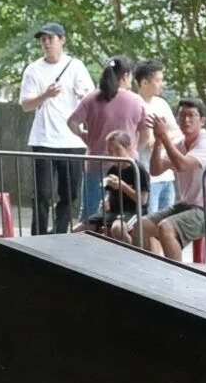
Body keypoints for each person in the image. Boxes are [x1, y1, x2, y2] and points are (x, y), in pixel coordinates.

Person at [19, 22, 95, 235]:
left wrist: (82, 96)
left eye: (50, 39)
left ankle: (59, 234)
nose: (46, 43)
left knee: (69, 193)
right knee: (41, 193)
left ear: (62, 40)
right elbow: (26, 105)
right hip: (43, 139)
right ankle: (38, 235)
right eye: (43, 39)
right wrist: (46, 95)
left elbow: (91, 98)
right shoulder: (33, 69)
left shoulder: (76, 66)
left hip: (72, 140)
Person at [132, 98, 206, 261]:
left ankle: (177, 275)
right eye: (182, 115)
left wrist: (164, 137)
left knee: (166, 228)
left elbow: (182, 165)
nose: (186, 119)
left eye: (191, 115)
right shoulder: (180, 143)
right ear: (177, 120)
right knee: (140, 226)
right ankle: (148, 269)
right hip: (188, 205)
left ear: (202, 121)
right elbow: (156, 170)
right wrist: (158, 141)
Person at [67, 56, 149, 223]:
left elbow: (72, 122)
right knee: (125, 213)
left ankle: (81, 239)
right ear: (125, 76)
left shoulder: (92, 98)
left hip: (96, 163)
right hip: (127, 166)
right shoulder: (136, 100)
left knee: (89, 213)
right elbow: (147, 136)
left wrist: (85, 136)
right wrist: (132, 150)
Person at [73, 130, 149, 243]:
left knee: (117, 229)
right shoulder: (113, 170)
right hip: (112, 211)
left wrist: (123, 186)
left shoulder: (138, 170)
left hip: (132, 211)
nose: (114, 156)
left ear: (128, 148)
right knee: (77, 230)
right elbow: (110, 192)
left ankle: (129, 250)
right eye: (110, 152)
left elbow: (143, 200)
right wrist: (106, 200)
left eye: (118, 150)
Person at [134, 60, 182, 214]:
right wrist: (160, 137)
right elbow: (143, 141)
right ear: (144, 82)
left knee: (167, 218)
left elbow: (177, 132)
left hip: (166, 175)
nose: (162, 85)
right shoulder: (134, 105)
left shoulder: (162, 104)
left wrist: (161, 136)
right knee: (149, 219)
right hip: (147, 176)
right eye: (158, 80)